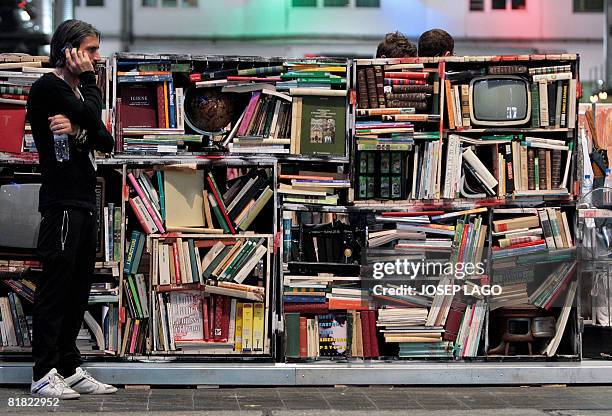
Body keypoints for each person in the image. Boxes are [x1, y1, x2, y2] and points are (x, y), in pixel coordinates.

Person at [27, 19, 116, 399]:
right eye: (91, 50)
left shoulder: (77, 98)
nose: (96, 58)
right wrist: (92, 88)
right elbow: (97, 122)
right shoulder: (50, 86)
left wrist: (80, 132)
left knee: (79, 288)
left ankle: (68, 366)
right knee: (56, 289)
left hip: (82, 201)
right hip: (62, 202)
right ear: (69, 51)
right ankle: (43, 372)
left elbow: (106, 140)